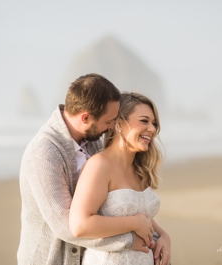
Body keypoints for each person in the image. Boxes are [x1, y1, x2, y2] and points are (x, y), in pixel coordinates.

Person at [17, 73, 167, 265]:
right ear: (86, 117)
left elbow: (115, 205)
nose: (113, 126)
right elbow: (68, 227)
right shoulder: (44, 154)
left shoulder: (92, 141)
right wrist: (130, 240)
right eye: (109, 121)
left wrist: (161, 236)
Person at [69, 92, 170, 265]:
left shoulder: (139, 168)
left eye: (154, 123)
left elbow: (140, 214)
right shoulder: (100, 165)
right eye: (144, 121)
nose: (152, 129)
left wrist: (164, 236)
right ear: (118, 124)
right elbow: (80, 225)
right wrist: (133, 223)